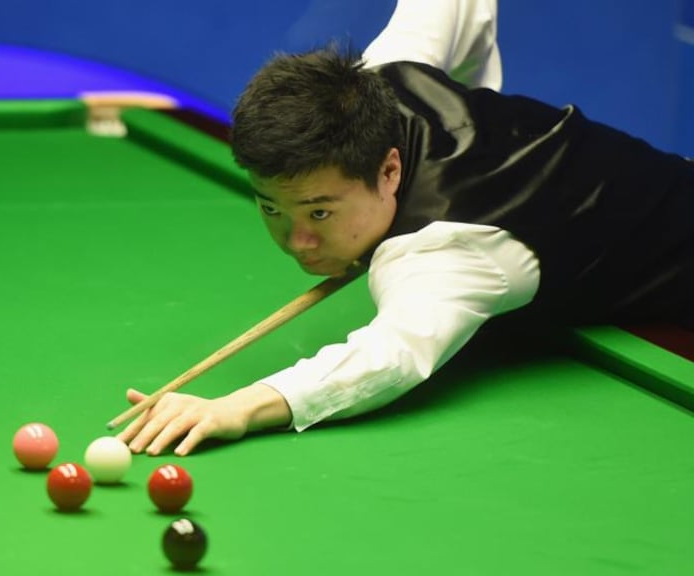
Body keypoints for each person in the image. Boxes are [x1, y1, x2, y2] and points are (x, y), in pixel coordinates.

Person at [116, 0, 694, 457]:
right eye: (272, 208)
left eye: (320, 212)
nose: (299, 242)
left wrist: (238, 407)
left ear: (390, 168)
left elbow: (391, 356)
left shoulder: (448, 249)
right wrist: (475, 92)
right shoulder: (376, 81)